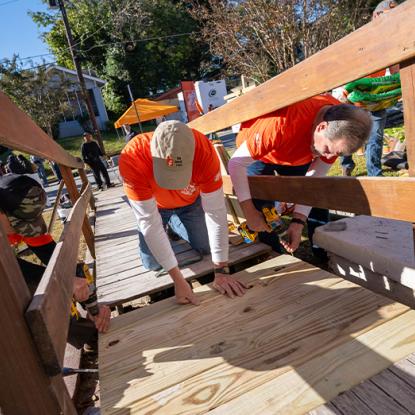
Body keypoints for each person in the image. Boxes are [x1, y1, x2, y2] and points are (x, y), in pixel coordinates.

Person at [119, 120, 247, 305]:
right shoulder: (133, 157)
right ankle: (169, 224)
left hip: (190, 204)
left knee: (206, 247)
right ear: (154, 155)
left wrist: (221, 270)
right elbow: (149, 222)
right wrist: (179, 280)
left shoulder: (205, 151)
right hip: (154, 208)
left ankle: (174, 225)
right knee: (152, 263)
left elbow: (216, 212)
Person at [228, 96, 372, 256]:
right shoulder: (282, 123)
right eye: (327, 149)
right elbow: (236, 164)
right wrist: (249, 212)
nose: (329, 156)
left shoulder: (341, 128)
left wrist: (298, 222)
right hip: (259, 154)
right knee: (260, 206)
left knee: (317, 198)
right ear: (321, 127)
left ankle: (321, 252)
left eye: (336, 153)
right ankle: (272, 255)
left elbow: (313, 182)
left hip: (296, 151)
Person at [0, 173, 110, 347]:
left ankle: (92, 333)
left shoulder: (18, 215)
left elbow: (55, 258)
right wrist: (63, 281)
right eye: (17, 224)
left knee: (67, 275)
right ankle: (89, 337)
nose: (22, 231)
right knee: (35, 295)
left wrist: (93, 305)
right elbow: (13, 272)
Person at [339, 0, 399, 177]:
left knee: (376, 136)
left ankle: (375, 174)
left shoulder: (392, 42)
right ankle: (347, 164)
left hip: (376, 97)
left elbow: (395, 71)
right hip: (355, 94)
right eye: (389, 16)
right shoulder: (362, 38)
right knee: (347, 132)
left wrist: (398, 86)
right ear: (376, 16)